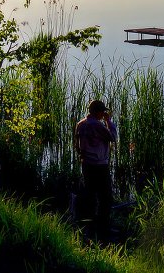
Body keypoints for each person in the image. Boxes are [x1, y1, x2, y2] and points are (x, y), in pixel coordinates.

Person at [74, 98, 118, 236]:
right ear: (98, 112)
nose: (104, 114)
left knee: (90, 195)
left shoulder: (80, 124)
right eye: (102, 112)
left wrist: (82, 156)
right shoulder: (98, 125)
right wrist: (108, 122)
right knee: (105, 197)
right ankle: (103, 227)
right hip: (99, 166)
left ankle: (89, 225)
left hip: (86, 165)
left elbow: (77, 144)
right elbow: (113, 137)